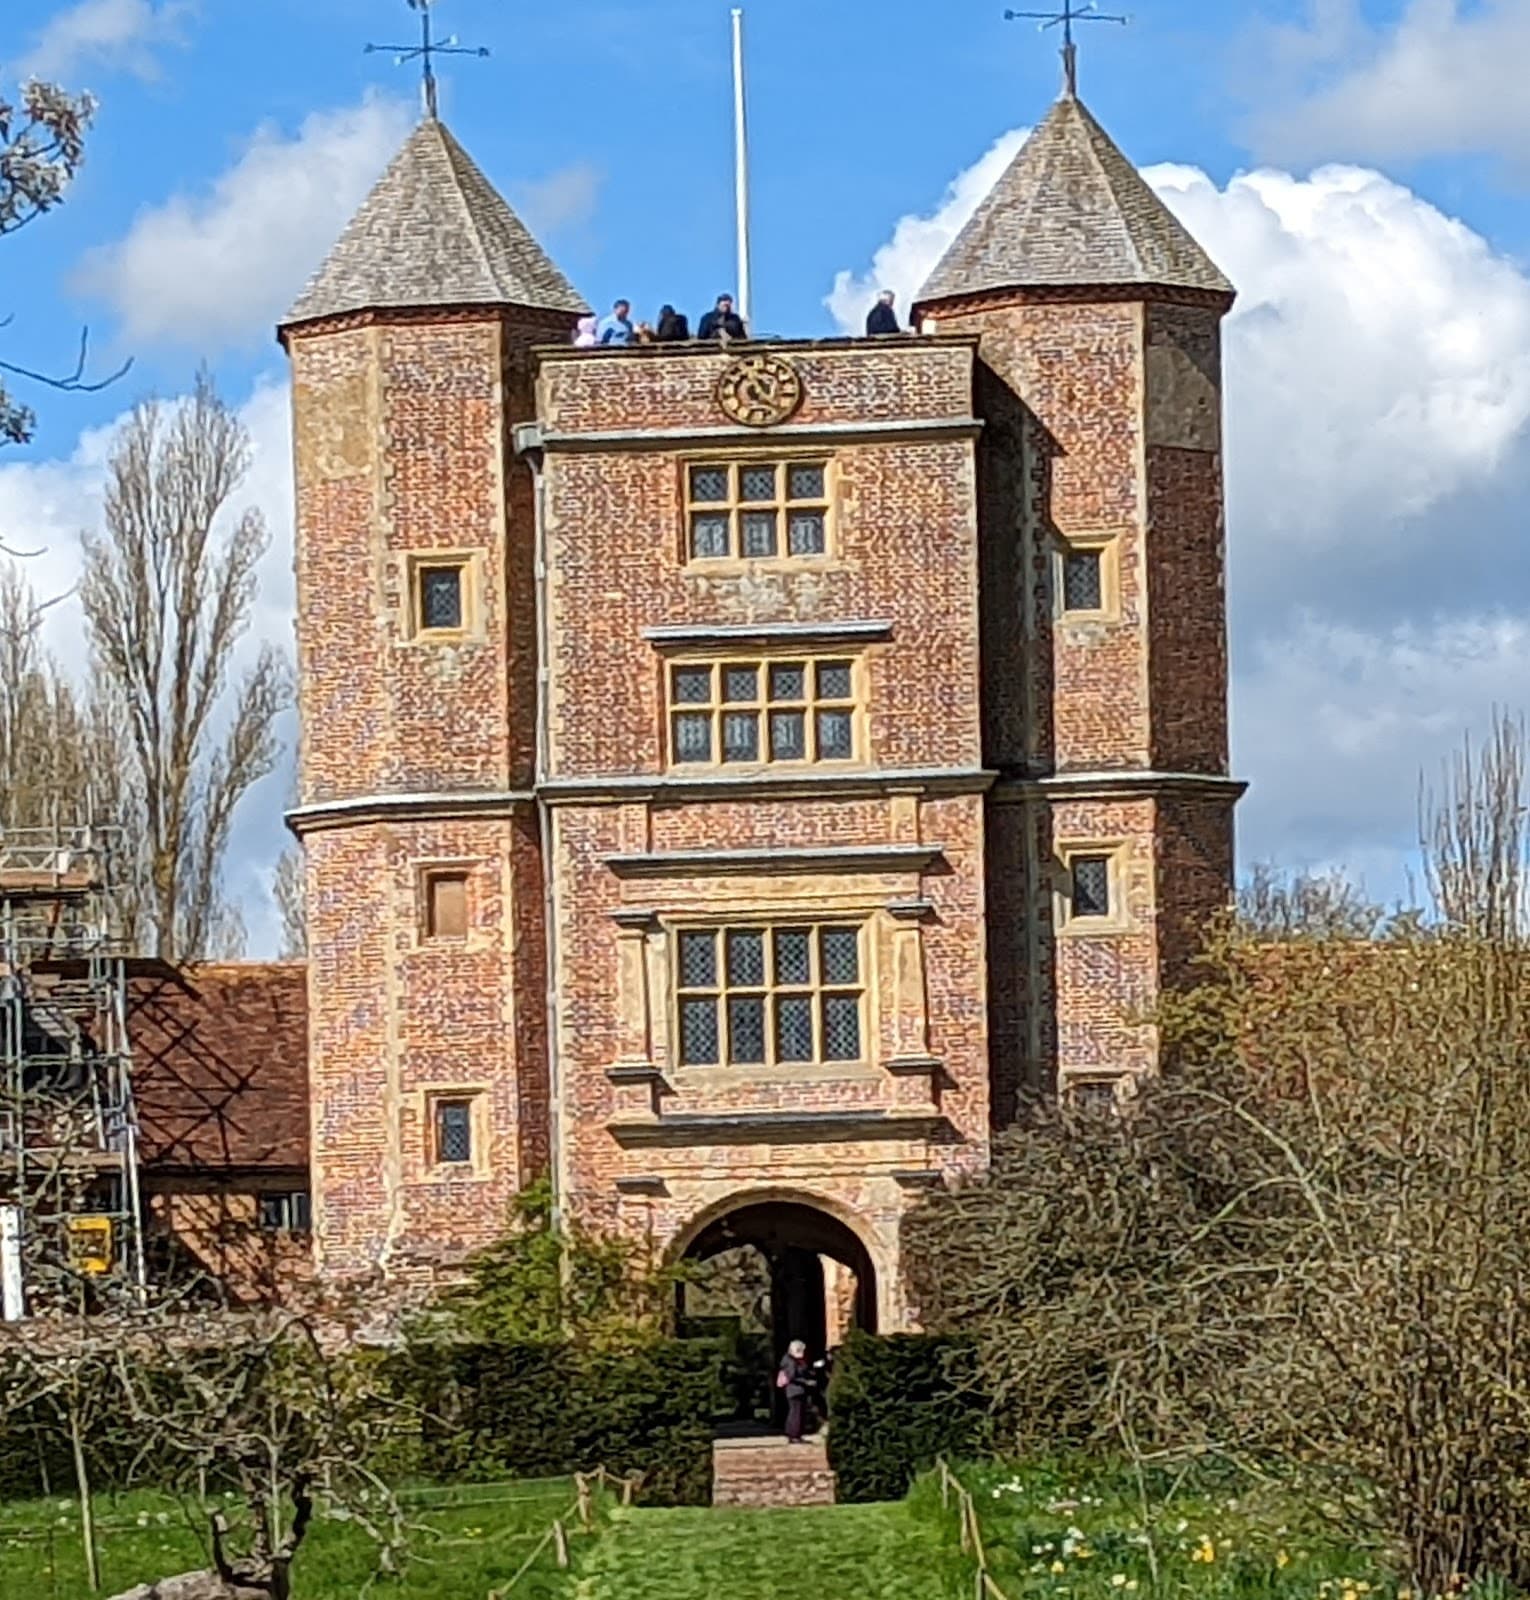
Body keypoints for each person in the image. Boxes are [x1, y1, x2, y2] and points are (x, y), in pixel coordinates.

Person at [777, 1339, 810, 1443]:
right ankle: (794, 1435)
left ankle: (794, 1434)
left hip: (793, 1390)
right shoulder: (791, 1362)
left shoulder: (788, 1360)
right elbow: (792, 1376)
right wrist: (806, 1382)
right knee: (796, 1413)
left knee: (795, 1412)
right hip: (795, 1390)